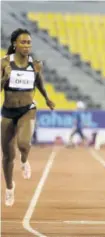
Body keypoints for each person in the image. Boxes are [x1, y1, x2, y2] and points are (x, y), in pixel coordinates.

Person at [1, 28, 55, 207]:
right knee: (8, 156)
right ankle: (9, 188)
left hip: (27, 109)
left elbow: (38, 81)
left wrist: (47, 98)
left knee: (23, 144)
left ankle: (24, 161)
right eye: (23, 42)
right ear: (14, 44)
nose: (26, 46)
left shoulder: (36, 64)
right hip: (8, 111)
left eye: (29, 43)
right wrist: (4, 78)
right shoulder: (4, 63)